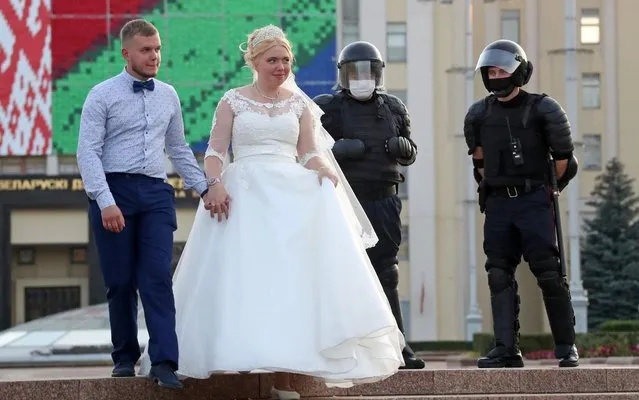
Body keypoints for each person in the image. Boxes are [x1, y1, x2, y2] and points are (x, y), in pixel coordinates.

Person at [137, 24, 405, 398]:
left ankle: (286, 373)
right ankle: (238, 360)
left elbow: (308, 152)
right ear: (255, 61)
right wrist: (214, 185)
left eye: (285, 60)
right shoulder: (232, 101)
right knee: (245, 278)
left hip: (288, 196)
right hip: (244, 196)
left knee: (288, 280)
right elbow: (215, 153)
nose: (280, 66)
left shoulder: (299, 104)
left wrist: (324, 169)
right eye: (272, 60)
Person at [77, 19, 210, 389]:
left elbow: (179, 149)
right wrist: (105, 201)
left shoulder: (168, 94)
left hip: (155, 193)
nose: (154, 56)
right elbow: (87, 153)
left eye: (157, 49)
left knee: (156, 279)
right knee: (120, 282)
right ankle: (124, 357)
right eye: (146, 50)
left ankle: (165, 361)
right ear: (126, 53)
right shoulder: (101, 95)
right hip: (112, 191)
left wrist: (204, 187)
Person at [463, 39, 580, 368]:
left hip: (534, 200)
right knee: (498, 273)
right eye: (491, 71)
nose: (496, 75)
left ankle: (566, 347)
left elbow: (564, 161)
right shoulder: (478, 114)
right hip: (499, 204)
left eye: (502, 70)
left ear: (518, 72)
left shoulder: (545, 109)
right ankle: (506, 349)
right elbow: (479, 162)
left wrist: (542, 190)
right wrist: (497, 187)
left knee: (549, 272)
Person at [312, 41, 424, 370]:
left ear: (378, 74)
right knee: (340, 273)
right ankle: (339, 349)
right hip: (343, 202)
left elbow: (411, 150)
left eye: (368, 71)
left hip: (385, 200)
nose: (361, 78)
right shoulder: (326, 107)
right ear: (343, 75)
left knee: (386, 274)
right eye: (354, 72)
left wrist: (404, 148)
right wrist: (337, 150)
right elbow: (307, 151)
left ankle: (398, 348)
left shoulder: (394, 107)